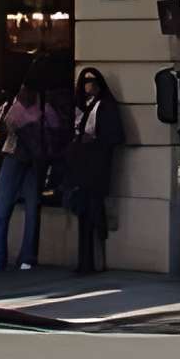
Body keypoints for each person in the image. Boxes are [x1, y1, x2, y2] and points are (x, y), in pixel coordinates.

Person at [0, 67, 62, 275]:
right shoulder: (46, 105)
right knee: (32, 209)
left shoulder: (20, 102)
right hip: (36, 158)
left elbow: (7, 124)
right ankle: (28, 257)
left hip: (15, 154)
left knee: (2, 207)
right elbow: (55, 127)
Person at [63, 68, 124, 274]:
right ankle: (85, 262)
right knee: (83, 215)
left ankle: (96, 262)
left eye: (91, 83)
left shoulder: (105, 106)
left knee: (95, 215)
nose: (87, 87)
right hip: (82, 168)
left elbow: (113, 135)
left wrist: (94, 140)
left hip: (96, 168)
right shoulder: (83, 106)